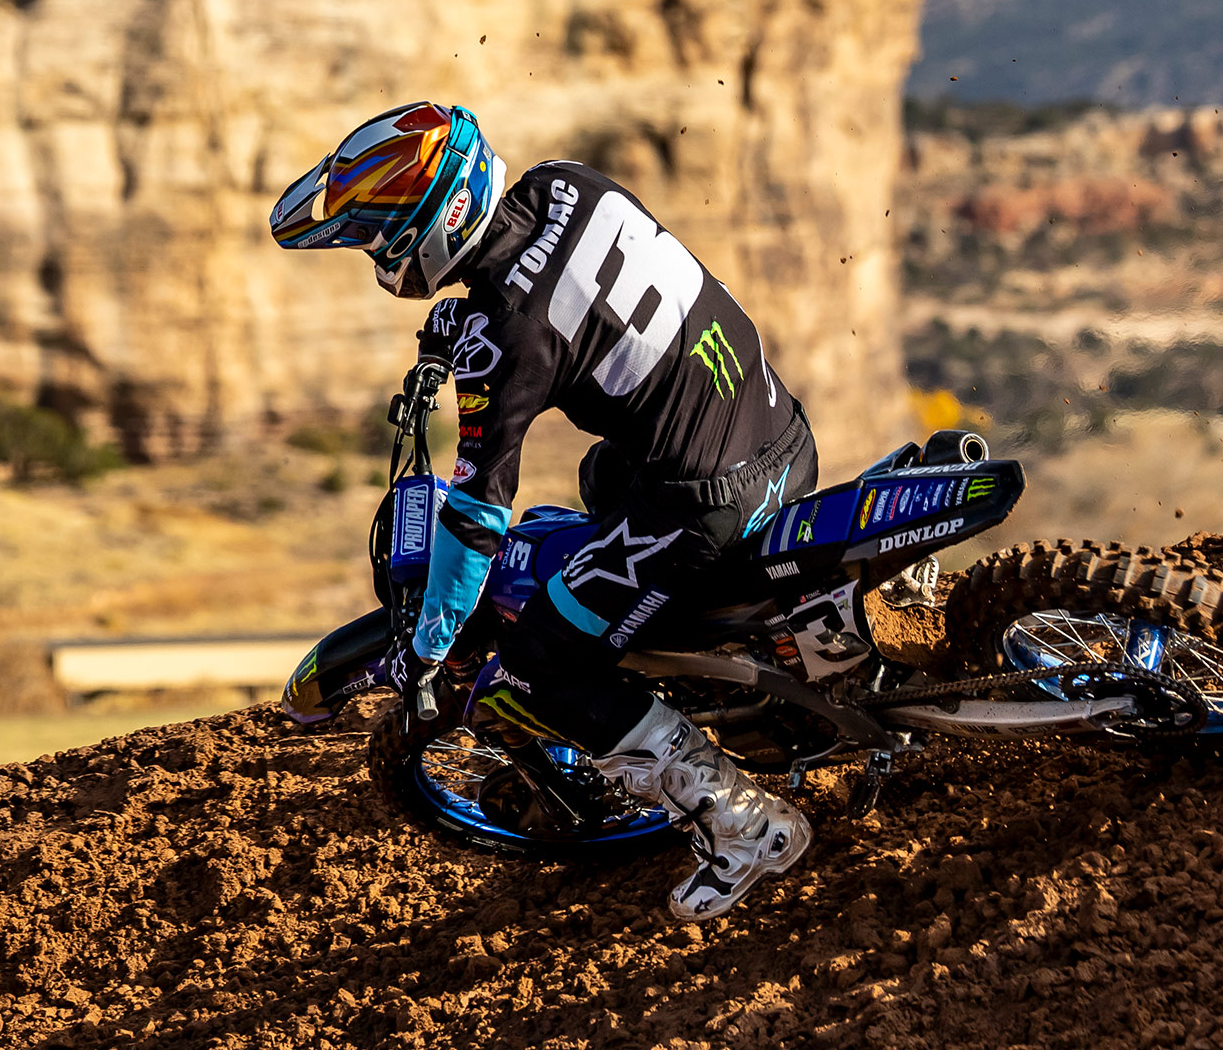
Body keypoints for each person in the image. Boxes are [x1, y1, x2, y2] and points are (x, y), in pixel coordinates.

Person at [269, 101, 817, 921]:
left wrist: (431, 646)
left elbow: (479, 509)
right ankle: (722, 653)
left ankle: (743, 823)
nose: (378, 253)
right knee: (602, 475)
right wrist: (461, 319)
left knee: (541, 664)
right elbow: (566, 292)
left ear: (435, 218)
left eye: (381, 233)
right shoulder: (568, 185)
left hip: (708, 502)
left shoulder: (507, 335)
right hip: (778, 431)